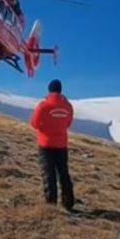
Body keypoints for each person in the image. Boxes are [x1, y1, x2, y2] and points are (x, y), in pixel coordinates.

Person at [30, 79, 75, 210]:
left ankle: (51, 203)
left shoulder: (43, 105)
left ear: (49, 90)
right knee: (64, 173)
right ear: (60, 90)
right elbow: (68, 123)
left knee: (48, 174)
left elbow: (34, 123)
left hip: (45, 144)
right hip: (61, 145)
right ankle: (68, 203)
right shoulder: (68, 106)